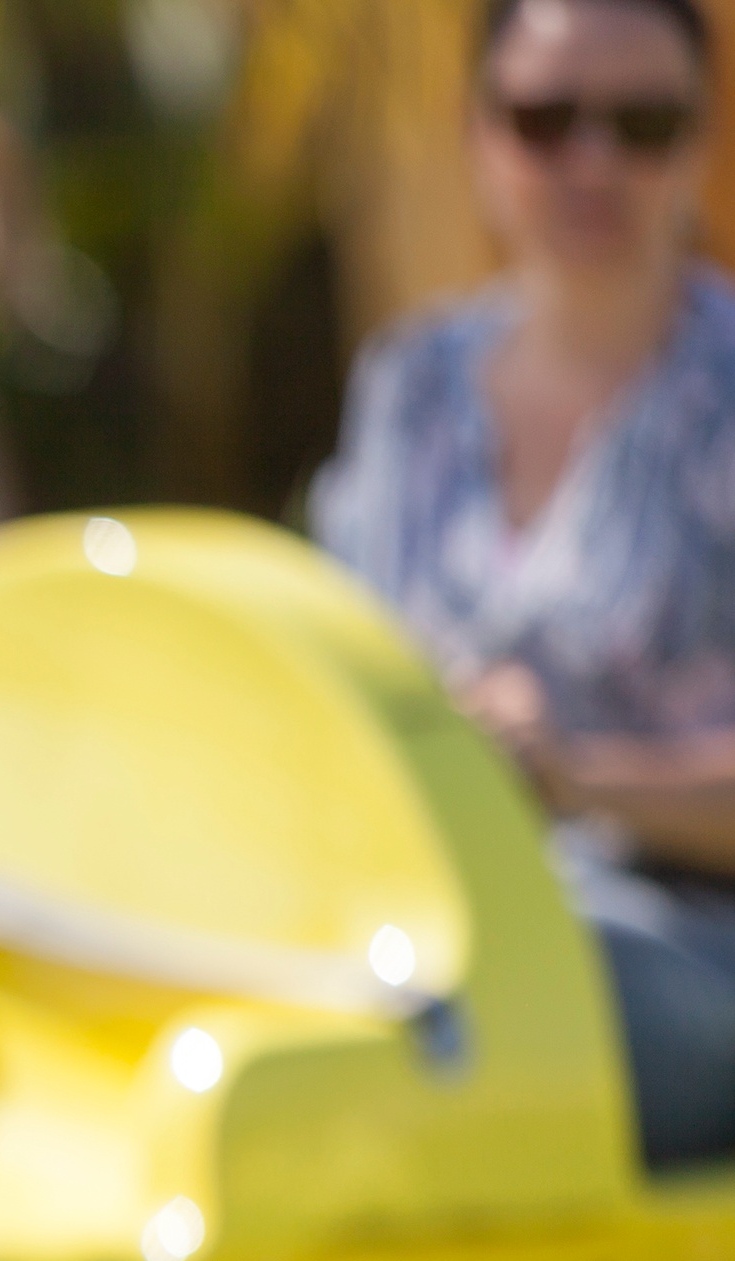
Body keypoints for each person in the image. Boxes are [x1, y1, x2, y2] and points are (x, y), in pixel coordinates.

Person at [314, 0, 735, 1165]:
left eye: (640, 123)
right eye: (545, 119)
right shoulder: (407, 386)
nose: (590, 162)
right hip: (410, 917)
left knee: (461, 1023)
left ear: (700, 141)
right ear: (478, 135)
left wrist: (573, 775)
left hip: (675, 941)